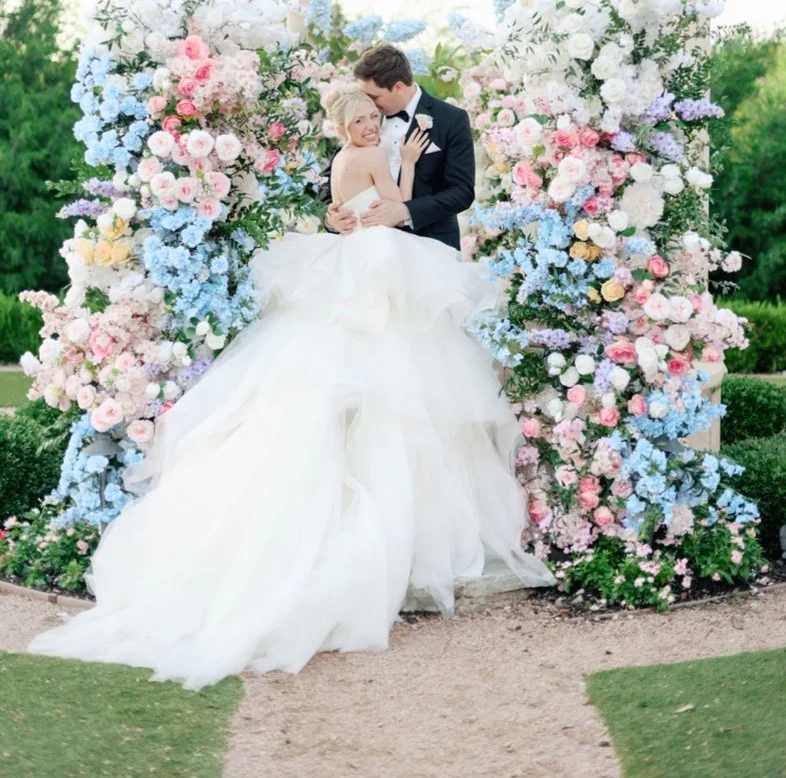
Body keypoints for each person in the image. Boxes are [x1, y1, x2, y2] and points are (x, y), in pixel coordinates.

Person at [28, 86, 553, 690]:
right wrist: (406, 163)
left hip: (349, 261)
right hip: (379, 264)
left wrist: (357, 201)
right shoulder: (374, 155)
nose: (365, 126)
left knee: (357, 384)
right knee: (401, 386)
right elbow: (397, 205)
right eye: (358, 120)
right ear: (346, 124)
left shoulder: (336, 159)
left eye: (369, 119)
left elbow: (342, 209)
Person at [323, 44, 475, 250]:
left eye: (374, 96)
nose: (369, 103)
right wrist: (331, 218)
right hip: (366, 247)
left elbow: (462, 192)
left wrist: (405, 211)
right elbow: (331, 180)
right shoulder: (364, 119)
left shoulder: (451, 119)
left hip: (430, 246)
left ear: (398, 87)